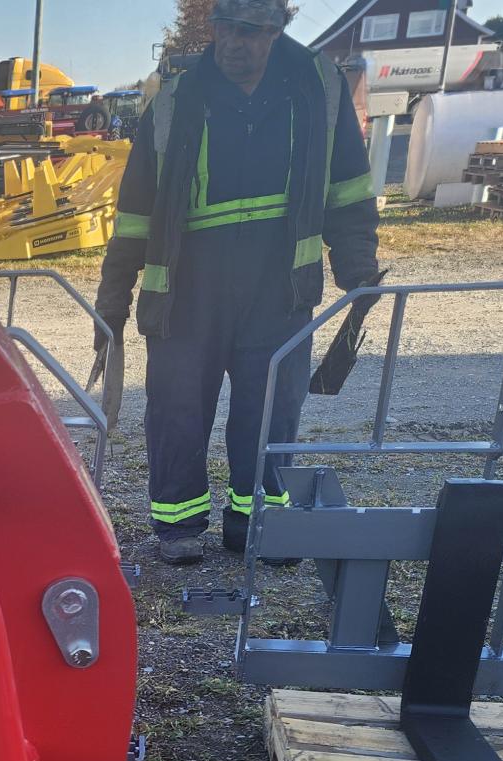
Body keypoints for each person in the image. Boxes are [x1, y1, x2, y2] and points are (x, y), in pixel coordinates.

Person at [96, 0, 380, 563]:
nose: (233, 43)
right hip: (185, 288)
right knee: (176, 406)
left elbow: (348, 190)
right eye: (224, 28)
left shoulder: (317, 89)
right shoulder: (177, 97)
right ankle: (178, 527)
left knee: (271, 409)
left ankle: (255, 525)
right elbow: (134, 213)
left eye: (250, 31)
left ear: (277, 30)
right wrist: (113, 300)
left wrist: (358, 268)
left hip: (279, 286)